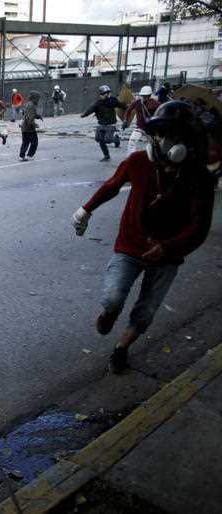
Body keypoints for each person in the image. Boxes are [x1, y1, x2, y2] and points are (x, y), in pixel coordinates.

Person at [71, 101, 215, 374]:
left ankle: (121, 349)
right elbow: (112, 186)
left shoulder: (200, 178)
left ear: (187, 142)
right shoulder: (138, 162)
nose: (164, 141)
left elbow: (199, 228)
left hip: (167, 258)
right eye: (160, 133)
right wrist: (85, 210)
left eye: (173, 135)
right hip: (129, 246)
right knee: (113, 298)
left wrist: (168, 247)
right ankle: (110, 313)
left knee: (146, 311)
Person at [81, 85, 126, 162]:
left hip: (111, 124)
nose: (104, 95)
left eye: (106, 93)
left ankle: (116, 140)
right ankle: (106, 155)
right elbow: (91, 109)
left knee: (107, 140)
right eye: (102, 94)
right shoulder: (98, 103)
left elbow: (121, 105)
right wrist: (85, 114)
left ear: (108, 94)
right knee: (99, 139)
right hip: (101, 124)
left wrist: (128, 106)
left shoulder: (113, 101)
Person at [122, 86, 160, 156]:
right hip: (140, 127)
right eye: (143, 96)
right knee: (132, 141)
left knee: (155, 144)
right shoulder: (137, 102)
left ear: (149, 95)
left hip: (150, 129)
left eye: (146, 96)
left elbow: (161, 112)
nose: (144, 97)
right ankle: (131, 157)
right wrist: (125, 120)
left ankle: (155, 158)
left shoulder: (155, 103)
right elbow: (128, 110)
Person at [19, 90, 42, 162]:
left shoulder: (27, 104)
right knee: (34, 142)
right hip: (29, 128)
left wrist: (38, 116)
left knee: (25, 142)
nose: (38, 100)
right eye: (37, 98)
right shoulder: (32, 106)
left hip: (24, 127)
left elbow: (24, 113)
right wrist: (35, 124)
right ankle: (29, 155)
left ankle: (21, 156)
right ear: (34, 98)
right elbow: (30, 118)